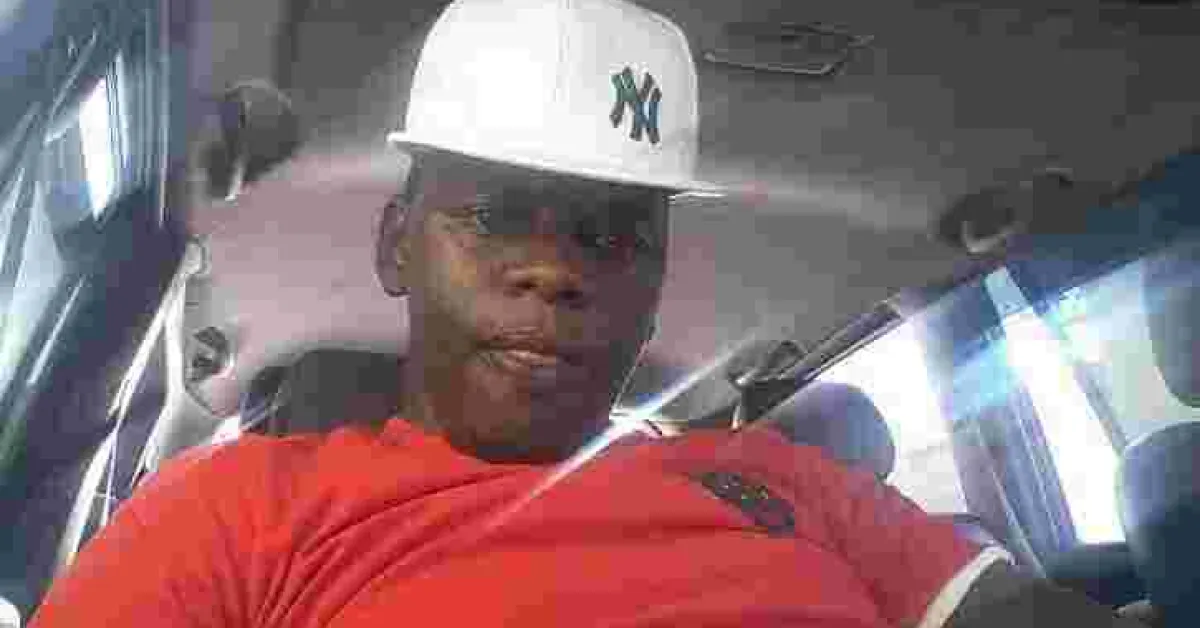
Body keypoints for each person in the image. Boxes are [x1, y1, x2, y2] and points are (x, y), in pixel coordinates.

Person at [32, 0, 1144, 626]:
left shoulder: (792, 485)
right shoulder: (239, 510)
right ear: (395, 246)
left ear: (653, 285)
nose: (556, 271)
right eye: (496, 215)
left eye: (612, 234)